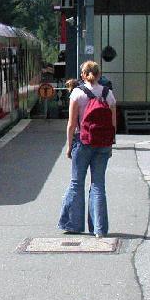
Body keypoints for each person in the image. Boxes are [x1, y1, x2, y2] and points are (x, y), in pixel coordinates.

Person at [58, 61, 117, 237]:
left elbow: (71, 124)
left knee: (77, 183)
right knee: (98, 185)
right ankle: (99, 229)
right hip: (103, 144)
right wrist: (111, 143)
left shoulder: (77, 93)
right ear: (99, 75)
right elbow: (113, 123)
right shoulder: (108, 94)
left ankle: (73, 225)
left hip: (82, 142)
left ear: (83, 75)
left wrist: (69, 146)